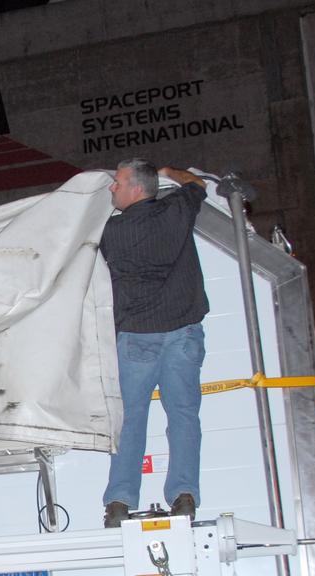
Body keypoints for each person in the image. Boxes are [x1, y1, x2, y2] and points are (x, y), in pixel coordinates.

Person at [99, 158, 209, 528]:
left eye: (117, 182)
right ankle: (184, 495)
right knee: (182, 416)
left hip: (136, 339)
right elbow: (196, 181)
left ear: (135, 189)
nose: (112, 187)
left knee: (129, 421)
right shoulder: (177, 211)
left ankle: (119, 500)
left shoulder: (111, 233)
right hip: (183, 334)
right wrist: (169, 173)